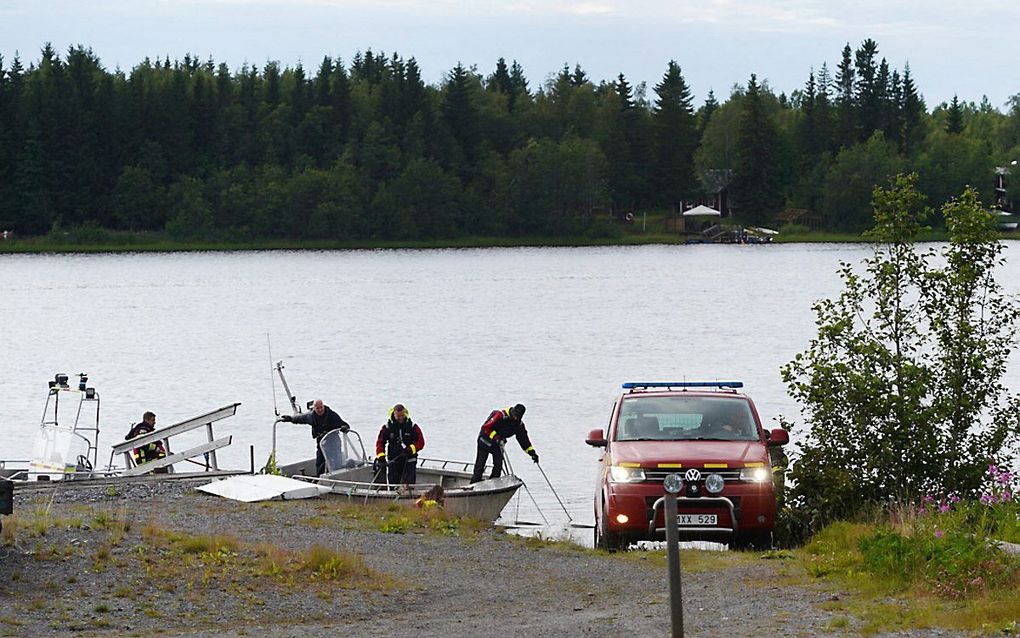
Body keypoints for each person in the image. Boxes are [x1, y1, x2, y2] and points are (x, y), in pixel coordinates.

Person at [280, 399, 350, 476]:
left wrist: (344, 428)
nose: (320, 410)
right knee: (320, 462)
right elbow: (301, 418)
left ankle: (338, 475)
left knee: (336, 461)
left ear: (323, 406)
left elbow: (345, 425)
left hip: (333, 441)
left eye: (321, 407)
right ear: (314, 408)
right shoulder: (311, 416)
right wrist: (290, 419)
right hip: (321, 443)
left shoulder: (331, 415)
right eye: (317, 408)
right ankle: (320, 478)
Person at [471, 403, 538, 483]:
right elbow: (485, 427)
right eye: (514, 416)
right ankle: (474, 483)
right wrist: (496, 437)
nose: (515, 418)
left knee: (498, 464)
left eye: (517, 417)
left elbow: (524, 440)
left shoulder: (519, 425)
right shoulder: (499, 415)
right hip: (485, 440)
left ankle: (493, 483)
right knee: (480, 464)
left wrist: (532, 453)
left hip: (497, 444)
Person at [374, 404, 425, 485]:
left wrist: (410, 449)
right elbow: (380, 442)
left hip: (409, 460)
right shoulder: (387, 428)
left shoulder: (412, 427)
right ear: (394, 414)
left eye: (402, 415)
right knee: (393, 484)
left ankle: (408, 496)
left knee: (409, 485)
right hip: (394, 461)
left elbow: (421, 442)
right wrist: (381, 456)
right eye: (398, 416)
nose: (401, 418)